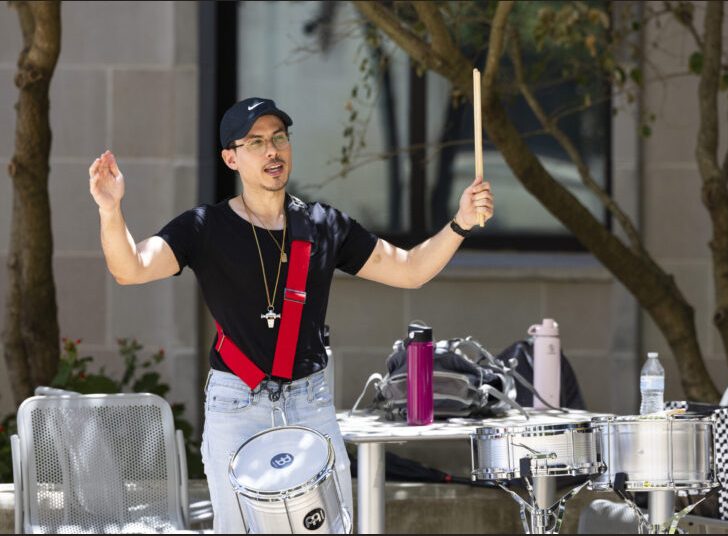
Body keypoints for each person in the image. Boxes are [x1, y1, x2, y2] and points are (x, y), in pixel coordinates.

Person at [88, 97, 494, 533]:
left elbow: (411, 270)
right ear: (231, 157)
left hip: (309, 403)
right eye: (257, 141)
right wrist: (111, 210)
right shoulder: (204, 228)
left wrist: (460, 223)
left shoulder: (323, 225)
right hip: (235, 404)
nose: (272, 151)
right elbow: (130, 268)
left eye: (279, 138)